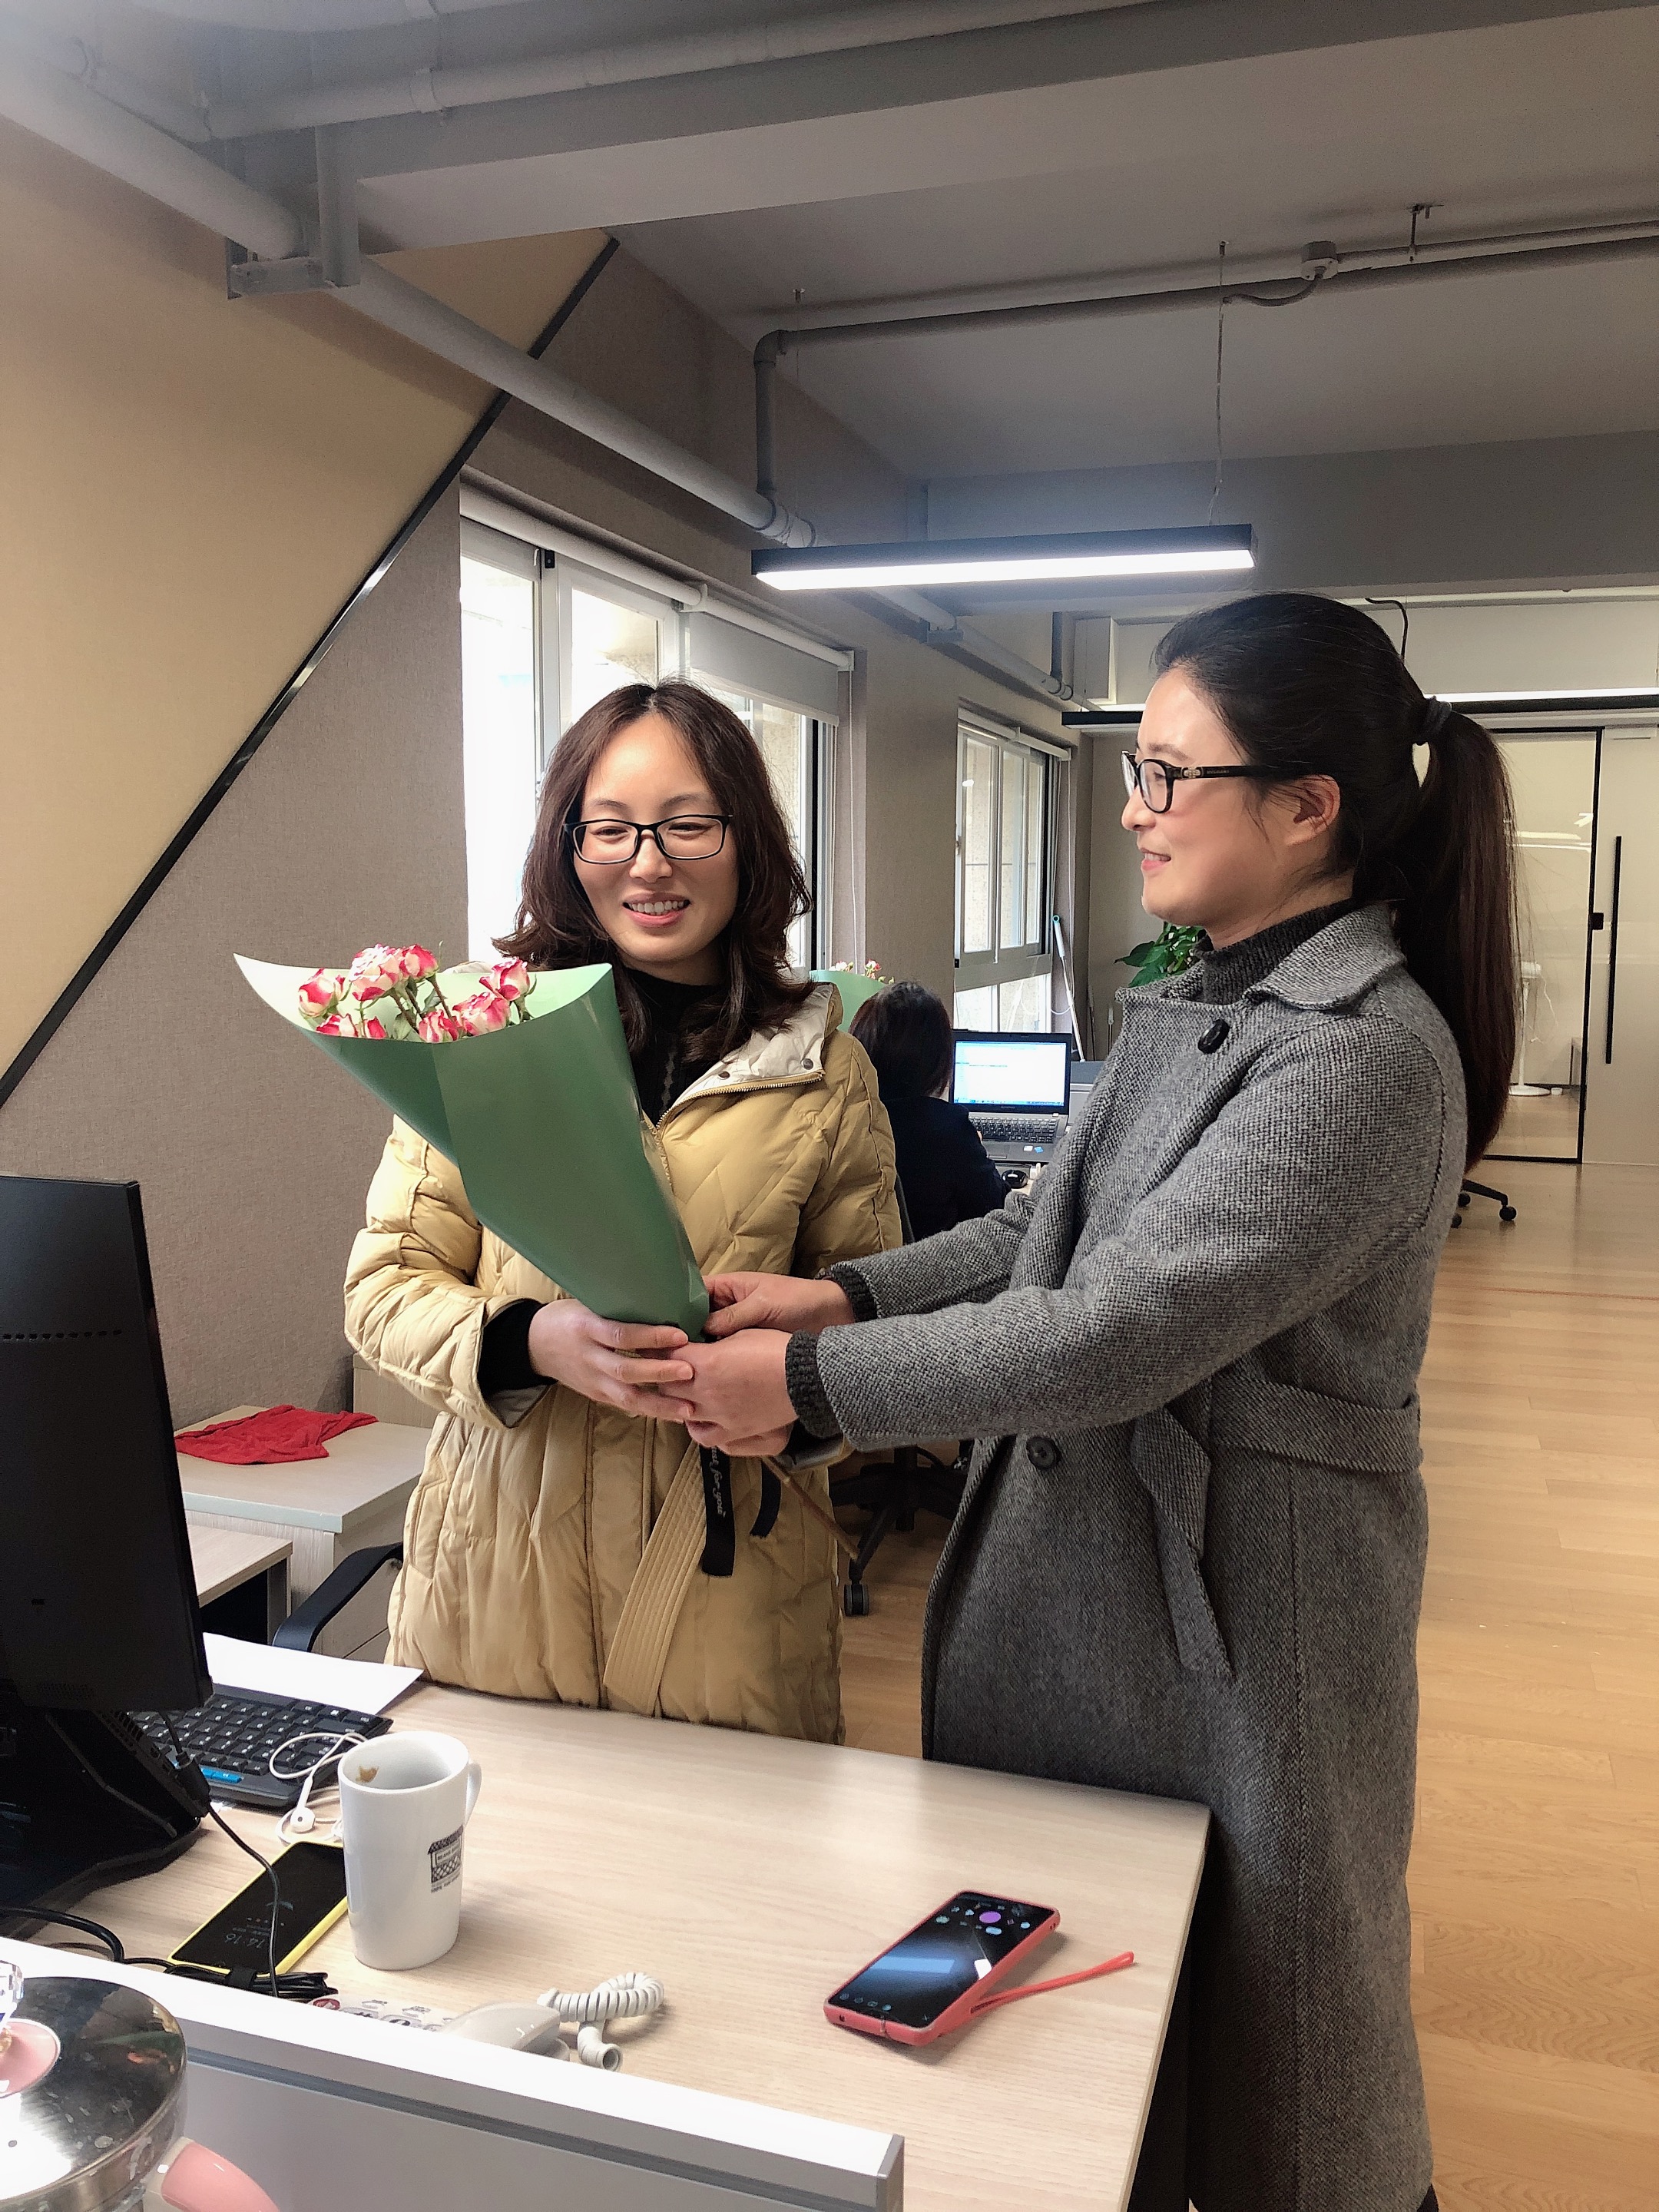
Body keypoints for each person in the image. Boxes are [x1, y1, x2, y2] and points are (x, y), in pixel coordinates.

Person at [661, 594, 1516, 2212]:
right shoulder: (1203, 986)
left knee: (1287, 2033)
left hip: (1248, 1611)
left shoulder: (1360, 1054)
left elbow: (1115, 1335)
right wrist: (846, 1297)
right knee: (1076, 2011)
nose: (1135, 809)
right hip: (1112, 1578)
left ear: (1306, 807)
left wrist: (811, 1384)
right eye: (1140, 771)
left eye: (1170, 776)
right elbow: (1040, 1229)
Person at [345, 680, 900, 1743]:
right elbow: (382, 1291)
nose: (648, 864)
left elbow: (876, 1326)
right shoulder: (483, 1044)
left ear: (748, 841)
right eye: (609, 828)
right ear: (568, 847)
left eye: (688, 825)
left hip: (728, 1600)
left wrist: (795, 1390)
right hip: (497, 1587)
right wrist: (530, 1341)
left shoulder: (825, 1071)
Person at [849, 981, 1009, 1237]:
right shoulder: (946, 1129)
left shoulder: (844, 1120)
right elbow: (1002, 1213)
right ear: (937, 1057)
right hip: (930, 1261)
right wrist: (974, 1151)